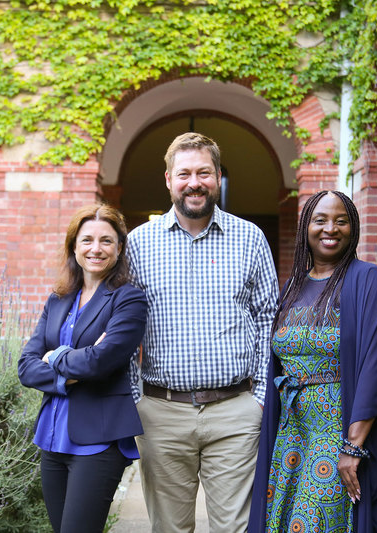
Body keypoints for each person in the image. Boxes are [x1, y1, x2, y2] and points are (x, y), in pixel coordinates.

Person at [126, 132, 279, 532]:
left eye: (204, 173)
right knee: (170, 528)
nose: (194, 182)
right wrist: (135, 399)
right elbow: (123, 327)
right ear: (168, 180)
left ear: (218, 178)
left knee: (237, 527)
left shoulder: (250, 239)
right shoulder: (138, 245)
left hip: (235, 413)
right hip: (161, 413)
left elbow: (268, 320)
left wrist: (260, 398)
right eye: (184, 174)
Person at [249, 190, 377, 533]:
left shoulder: (367, 282)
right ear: (305, 228)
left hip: (335, 431)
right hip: (291, 433)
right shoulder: (292, 287)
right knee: (282, 521)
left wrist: (353, 447)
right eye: (320, 220)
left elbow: (375, 368)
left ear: (353, 229)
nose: (331, 228)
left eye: (341, 221)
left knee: (317, 522)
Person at [18, 203, 148, 533]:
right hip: (52, 435)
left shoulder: (128, 299)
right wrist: (73, 371)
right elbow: (26, 367)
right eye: (87, 239)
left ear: (119, 248)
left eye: (107, 240)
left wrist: (56, 356)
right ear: (74, 246)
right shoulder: (58, 298)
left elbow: (101, 362)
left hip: (99, 439)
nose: (96, 249)